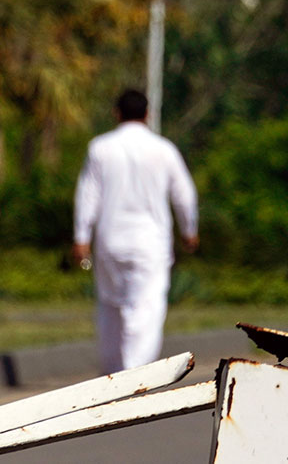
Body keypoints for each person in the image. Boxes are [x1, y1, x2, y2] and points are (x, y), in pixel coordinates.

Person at [73, 90, 199, 373]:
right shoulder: (163, 149)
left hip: (109, 240)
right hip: (150, 244)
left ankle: (112, 371)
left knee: (110, 306)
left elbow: (87, 195)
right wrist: (189, 230)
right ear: (147, 114)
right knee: (145, 307)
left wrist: (81, 237)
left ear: (116, 113)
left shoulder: (100, 148)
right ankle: (134, 373)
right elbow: (184, 194)